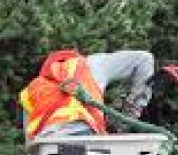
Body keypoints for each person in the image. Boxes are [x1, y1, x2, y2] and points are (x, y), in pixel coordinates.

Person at [20, 49, 155, 139]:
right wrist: (128, 118)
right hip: (85, 135)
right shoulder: (90, 64)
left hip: (48, 144)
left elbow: (31, 145)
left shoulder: (31, 90)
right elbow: (144, 60)